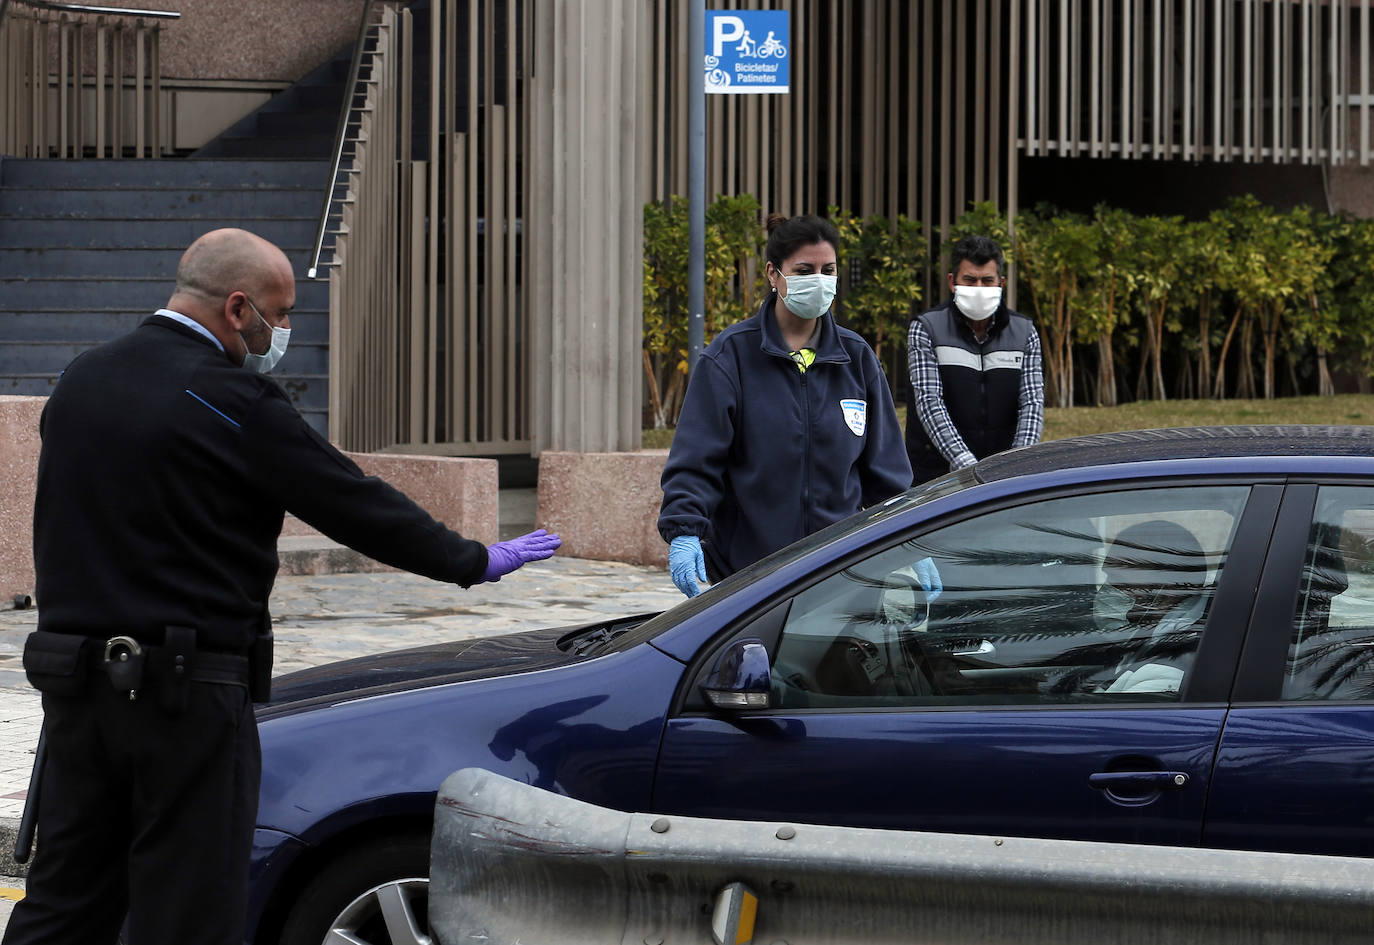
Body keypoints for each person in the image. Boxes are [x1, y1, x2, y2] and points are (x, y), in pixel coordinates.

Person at [7, 228, 561, 945]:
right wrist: (472, 557)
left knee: (66, 900)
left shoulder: (82, 379)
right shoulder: (234, 399)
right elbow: (352, 501)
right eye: (282, 311)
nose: (285, 330)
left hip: (76, 692)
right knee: (186, 907)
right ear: (238, 308)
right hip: (185, 699)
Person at [658, 213, 912, 598]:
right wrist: (685, 532)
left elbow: (887, 473)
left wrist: (909, 541)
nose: (820, 281)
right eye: (805, 270)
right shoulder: (730, 358)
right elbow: (696, 462)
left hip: (838, 574)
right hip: (747, 577)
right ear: (773, 275)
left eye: (829, 270)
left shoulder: (856, 359)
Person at [905, 234, 1044, 484]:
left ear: (1001, 283)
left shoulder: (1025, 333)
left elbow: (1032, 404)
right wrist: (967, 466)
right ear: (952, 282)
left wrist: (1017, 463)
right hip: (937, 475)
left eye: (987, 280)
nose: (979, 289)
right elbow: (929, 402)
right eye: (969, 280)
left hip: (1006, 476)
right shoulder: (926, 328)